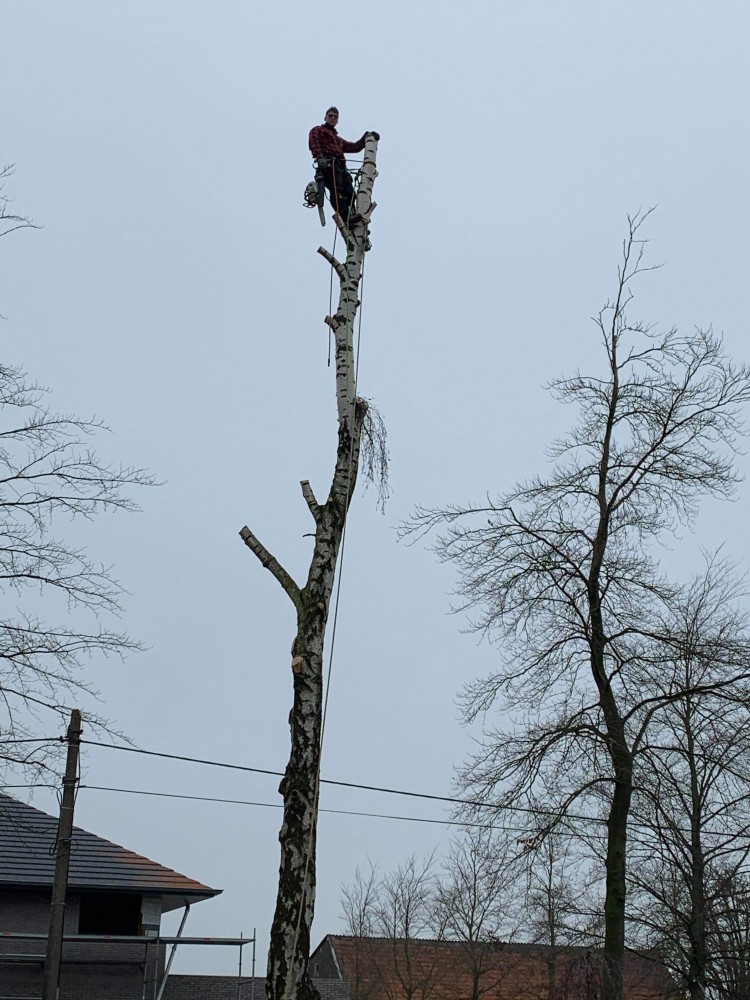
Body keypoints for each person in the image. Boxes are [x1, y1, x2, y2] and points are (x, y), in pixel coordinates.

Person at [308, 108, 378, 228]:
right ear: (325, 117)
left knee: (350, 193)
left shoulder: (338, 140)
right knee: (337, 190)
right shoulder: (318, 130)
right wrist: (320, 158)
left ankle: (354, 219)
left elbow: (354, 147)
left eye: (335, 117)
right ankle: (345, 217)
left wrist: (365, 138)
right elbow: (314, 143)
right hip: (329, 165)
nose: (333, 118)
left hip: (340, 167)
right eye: (330, 116)